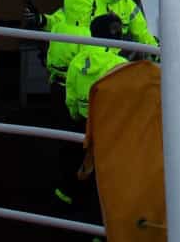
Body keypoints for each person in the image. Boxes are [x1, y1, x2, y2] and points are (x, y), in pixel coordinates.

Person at [52, 14, 131, 211]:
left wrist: (77, 116)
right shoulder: (120, 64)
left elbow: (70, 99)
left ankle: (67, 195)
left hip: (83, 123)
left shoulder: (77, 61)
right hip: (109, 129)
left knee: (72, 154)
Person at [46, 0, 155, 79]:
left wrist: (155, 50)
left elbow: (142, 32)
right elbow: (63, 20)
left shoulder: (126, 2)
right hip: (89, 64)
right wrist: (42, 20)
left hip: (111, 63)